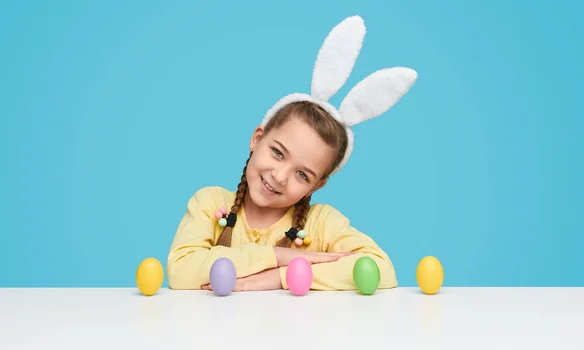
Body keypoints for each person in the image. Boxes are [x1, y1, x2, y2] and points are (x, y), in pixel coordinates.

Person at [166, 15, 418, 292]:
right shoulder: (210, 203)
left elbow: (381, 270)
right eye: (277, 153)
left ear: (317, 185)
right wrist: (277, 256)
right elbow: (181, 271)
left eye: (302, 174)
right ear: (257, 138)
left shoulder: (321, 223)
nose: (281, 176)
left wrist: (279, 277)